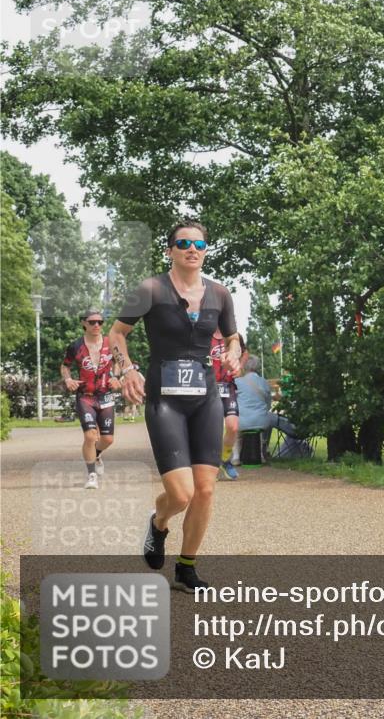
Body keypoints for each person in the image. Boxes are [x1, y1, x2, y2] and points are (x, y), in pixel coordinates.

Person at [108, 221, 241, 594]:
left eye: (199, 243)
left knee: (206, 490)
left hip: (206, 399)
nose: (192, 249)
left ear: (205, 250)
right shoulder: (150, 289)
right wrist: (128, 369)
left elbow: (232, 336)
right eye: (183, 243)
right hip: (165, 400)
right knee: (180, 494)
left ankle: (186, 568)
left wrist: (233, 351)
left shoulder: (220, 293)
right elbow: (117, 332)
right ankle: (159, 522)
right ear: (170, 250)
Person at [61, 309, 120, 489]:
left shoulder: (111, 344)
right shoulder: (75, 346)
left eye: (100, 322)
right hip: (85, 396)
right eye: (92, 322)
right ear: (84, 323)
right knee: (90, 435)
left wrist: (116, 377)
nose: (97, 325)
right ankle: (91, 474)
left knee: (108, 439)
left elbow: (119, 362)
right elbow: (65, 366)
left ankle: (97, 454)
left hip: (106, 395)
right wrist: (68, 379)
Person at [235, 355, 299, 452]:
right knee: (267, 419)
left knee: (238, 431)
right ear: (257, 367)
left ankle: (236, 455)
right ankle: (262, 452)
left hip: (241, 421)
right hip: (261, 421)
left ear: (243, 366)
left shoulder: (237, 382)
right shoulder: (263, 382)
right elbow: (268, 404)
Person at [210, 330, 246, 480]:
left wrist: (240, 367)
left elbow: (244, 352)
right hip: (208, 386)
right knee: (212, 428)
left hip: (227, 386)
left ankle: (224, 460)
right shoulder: (204, 332)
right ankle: (210, 465)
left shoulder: (234, 336)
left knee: (233, 426)